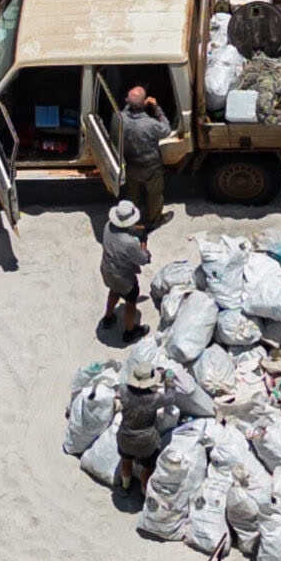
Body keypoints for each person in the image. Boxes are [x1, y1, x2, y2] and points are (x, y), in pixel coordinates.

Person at [115, 359, 174, 495]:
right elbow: (171, 398)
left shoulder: (124, 390)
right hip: (146, 442)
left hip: (125, 437)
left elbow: (119, 396)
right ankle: (143, 493)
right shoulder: (154, 398)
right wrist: (169, 380)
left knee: (126, 460)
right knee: (147, 468)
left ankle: (125, 487)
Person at [116, 86, 169, 233]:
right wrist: (157, 108)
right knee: (154, 194)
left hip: (131, 165)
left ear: (127, 102)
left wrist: (132, 103)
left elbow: (126, 110)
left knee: (132, 192)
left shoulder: (121, 119)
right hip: (151, 167)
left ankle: (131, 217)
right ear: (145, 102)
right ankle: (155, 220)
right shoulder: (151, 124)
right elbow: (166, 129)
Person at [100, 200, 151, 341]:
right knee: (130, 301)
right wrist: (143, 241)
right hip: (123, 278)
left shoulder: (107, 227)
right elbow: (143, 259)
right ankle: (130, 331)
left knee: (113, 290)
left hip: (107, 269)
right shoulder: (130, 243)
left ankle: (108, 318)